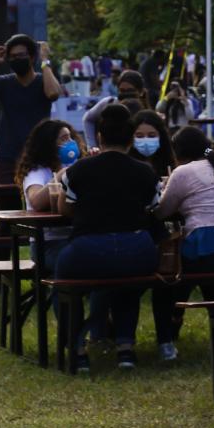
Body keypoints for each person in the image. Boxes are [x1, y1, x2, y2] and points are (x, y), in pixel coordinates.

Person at [54, 103, 165, 371]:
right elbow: (156, 208)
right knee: (128, 285)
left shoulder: (78, 170)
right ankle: (126, 348)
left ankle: (78, 350)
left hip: (88, 251)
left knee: (62, 284)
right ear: (131, 139)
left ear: (100, 137)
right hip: (138, 251)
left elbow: (64, 209)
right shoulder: (146, 172)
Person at [150, 126, 214, 362]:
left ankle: (166, 343)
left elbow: (162, 211)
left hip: (202, 247)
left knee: (165, 285)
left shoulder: (183, 172)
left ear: (176, 151)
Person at [0, 34, 62, 209]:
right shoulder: (3, 82)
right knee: (6, 214)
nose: (17, 60)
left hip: (40, 157)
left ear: (32, 57)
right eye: (12, 57)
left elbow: (53, 93)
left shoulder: (43, 81)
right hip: (8, 157)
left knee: (43, 210)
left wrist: (45, 62)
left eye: (21, 55)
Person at [15, 119, 82, 273]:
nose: (70, 142)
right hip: (48, 244)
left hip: (77, 238)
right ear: (49, 144)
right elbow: (36, 201)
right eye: (64, 139)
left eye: (71, 137)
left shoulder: (77, 165)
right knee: (76, 263)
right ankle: (59, 297)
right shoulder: (37, 171)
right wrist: (60, 175)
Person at [82, 70, 149, 149]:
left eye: (130, 90)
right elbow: (88, 119)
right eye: (122, 90)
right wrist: (92, 146)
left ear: (141, 92)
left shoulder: (146, 111)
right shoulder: (108, 103)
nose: (125, 94)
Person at [129, 110, 176, 179]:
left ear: (161, 136)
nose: (145, 140)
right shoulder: (126, 166)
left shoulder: (171, 165)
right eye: (139, 136)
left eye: (151, 135)